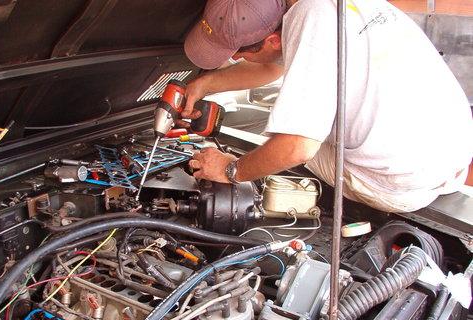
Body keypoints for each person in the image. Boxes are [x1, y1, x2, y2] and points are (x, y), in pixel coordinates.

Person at [182, 0, 473, 212]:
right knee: (282, 131)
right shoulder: (323, 7)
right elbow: (274, 66)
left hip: (399, 182)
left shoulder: (311, 18)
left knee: (277, 140)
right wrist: (203, 85)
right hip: (448, 158)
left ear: (272, 40)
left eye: (236, 55)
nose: (234, 60)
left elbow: (297, 147)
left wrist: (230, 169)